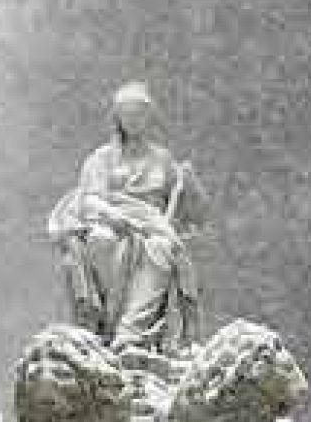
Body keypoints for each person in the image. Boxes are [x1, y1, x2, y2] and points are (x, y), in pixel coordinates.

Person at [47, 82, 208, 354]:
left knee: (161, 249)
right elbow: (90, 199)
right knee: (103, 241)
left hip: (153, 226)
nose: (134, 120)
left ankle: (132, 332)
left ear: (149, 117)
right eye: (127, 113)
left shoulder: (163, 161)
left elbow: (194, 212)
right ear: (118, 118)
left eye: (139, 113)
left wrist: (191, 185)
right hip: (112, 223)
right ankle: (105, 326)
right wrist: (115, 216)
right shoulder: (101, 159)